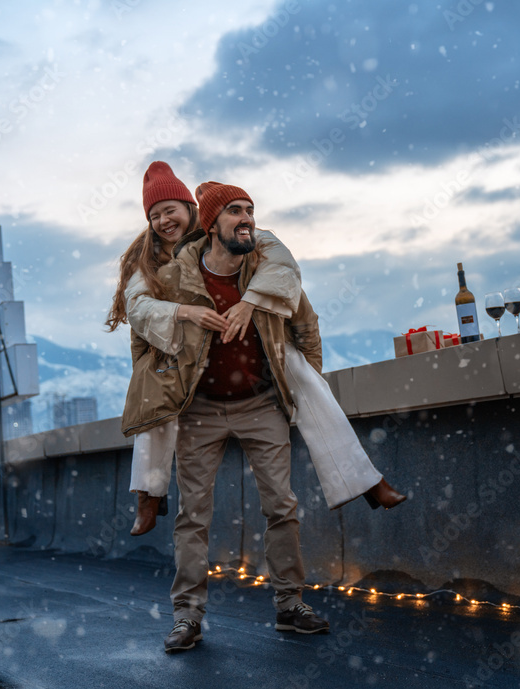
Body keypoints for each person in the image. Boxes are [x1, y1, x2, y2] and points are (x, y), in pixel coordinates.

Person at [121, 177, 403, 652]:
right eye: (234, 211)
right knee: (193, 516)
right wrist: (183, 325)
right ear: (210, 225)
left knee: (282, 506)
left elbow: (305, 324)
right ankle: (186, 616)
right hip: (200, 409)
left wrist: (303, 383)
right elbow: (140, 326)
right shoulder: (171, 276)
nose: (247, 217)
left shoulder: (269, 264)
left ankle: (290, 605)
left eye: (249, 209)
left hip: (261, 403)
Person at [107, 161, 304, 536]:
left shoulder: (222, 232)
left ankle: (359, 479)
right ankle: (149, 493)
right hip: (175, 350)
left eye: (171, 210)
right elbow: (138, 309)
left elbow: (278, 257)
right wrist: (184, 312)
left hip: (241, 363)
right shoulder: (146, 262)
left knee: (304, 381)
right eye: (155, 215)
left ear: (190, 210)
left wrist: (251, 300)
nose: (164, 220)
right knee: (155, 404)